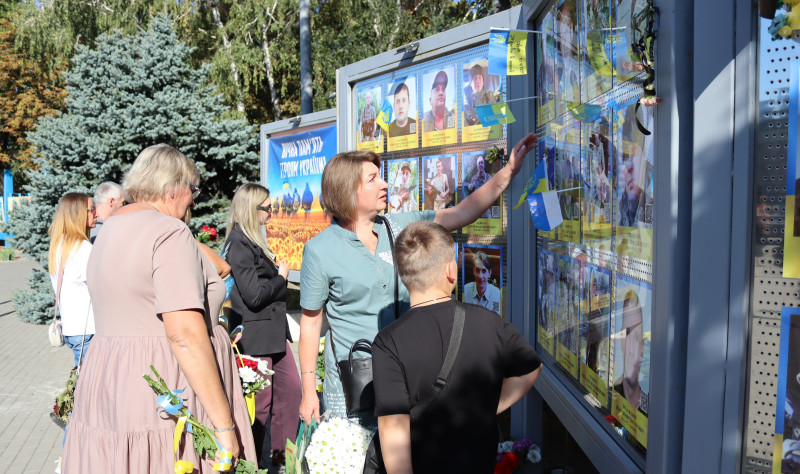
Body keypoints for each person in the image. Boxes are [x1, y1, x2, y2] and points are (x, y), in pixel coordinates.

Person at [298, 133, 537, 427]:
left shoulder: (398, 225)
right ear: (348, 190)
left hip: (403, 375)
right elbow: (310, 323)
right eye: (373, 179)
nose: (385, 184)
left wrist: (508, 172)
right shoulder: (320, 250)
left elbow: (462, 212)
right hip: (354, 386)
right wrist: (309, 391)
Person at [61, 144, 255, 472]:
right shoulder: (168, 232)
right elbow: (185, 336)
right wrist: (224, 426)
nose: (194, 199)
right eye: (192, 189)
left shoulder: (109, 230)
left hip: (110, 379)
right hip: (165, 387)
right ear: (172, 188)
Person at [372, 221, 542, 473]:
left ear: (404, 274)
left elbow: (393, 427)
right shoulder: (490, 322)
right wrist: (490, 405)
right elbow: (530, 367)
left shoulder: (388, 343)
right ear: (452, 271)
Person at [224, 183, 301, 470]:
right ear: (251, 208)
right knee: (261, 407)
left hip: (273, 335)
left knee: (292, 391)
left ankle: (283, 461)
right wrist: (281, 277)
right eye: (267, 208)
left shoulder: (253, 241)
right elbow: (254, 296)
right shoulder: (239, 244)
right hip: (255, 338)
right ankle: (250, 463)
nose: (271, 213)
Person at [48, 192, 97, 367]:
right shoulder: (83, 248)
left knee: (83, 381)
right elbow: (99, 288)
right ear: (78, 214)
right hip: (88, 330)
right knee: (89, 387)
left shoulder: (59, 244)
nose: (96, 213)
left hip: (71, 327)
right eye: (91, 209)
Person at [614, 290, 646, 410]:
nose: (631, 350)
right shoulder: (610, 398)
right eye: (627, 334)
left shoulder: (651, 410)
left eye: (637, 338)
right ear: (621, 342)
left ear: (642, 348)